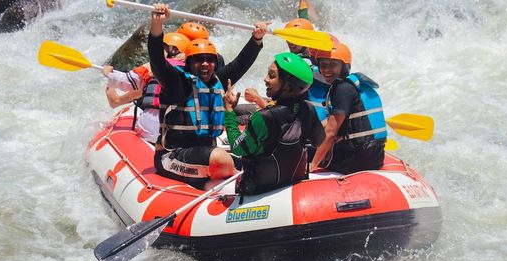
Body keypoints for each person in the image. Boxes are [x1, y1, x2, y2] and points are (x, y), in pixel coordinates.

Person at [148, 3, 268, 188]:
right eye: (199, 59)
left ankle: (222, 181)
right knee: (221, 158)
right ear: (189, 62)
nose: (205, 64)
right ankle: (230, 182)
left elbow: (240, 64)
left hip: (205, 152)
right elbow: (156, 60)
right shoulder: (175, 82)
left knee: (256, 162)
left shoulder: (216, 81)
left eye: (210, 59)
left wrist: (256, 39)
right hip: (173, 154)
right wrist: (157, 25)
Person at [223, 52, 324, 194]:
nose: (265, 79)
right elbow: (319, 141)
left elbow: (236, 148)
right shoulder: (308, 109)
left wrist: (229, 111)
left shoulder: (263, 117)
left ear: (288, 86)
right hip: (293, 183)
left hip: (261, 190)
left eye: (271, 75)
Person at [309, 42, 387, 174]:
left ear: (345, 67)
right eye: (323, 65)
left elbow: (330, 133)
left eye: (333, 64)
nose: (326, 70)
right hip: (376, 156)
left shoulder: (342, 88)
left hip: (356, 160)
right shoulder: (356, 84)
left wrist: (312, 167)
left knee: (304, 150)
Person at [102, 32, 190, 143]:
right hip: (179, 131)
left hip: (149, 127)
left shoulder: (153, 67)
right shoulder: (196, 71)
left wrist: (108, 73)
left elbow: (125, 81)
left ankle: (116, 100)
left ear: (171, 50)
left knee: (144, 82)